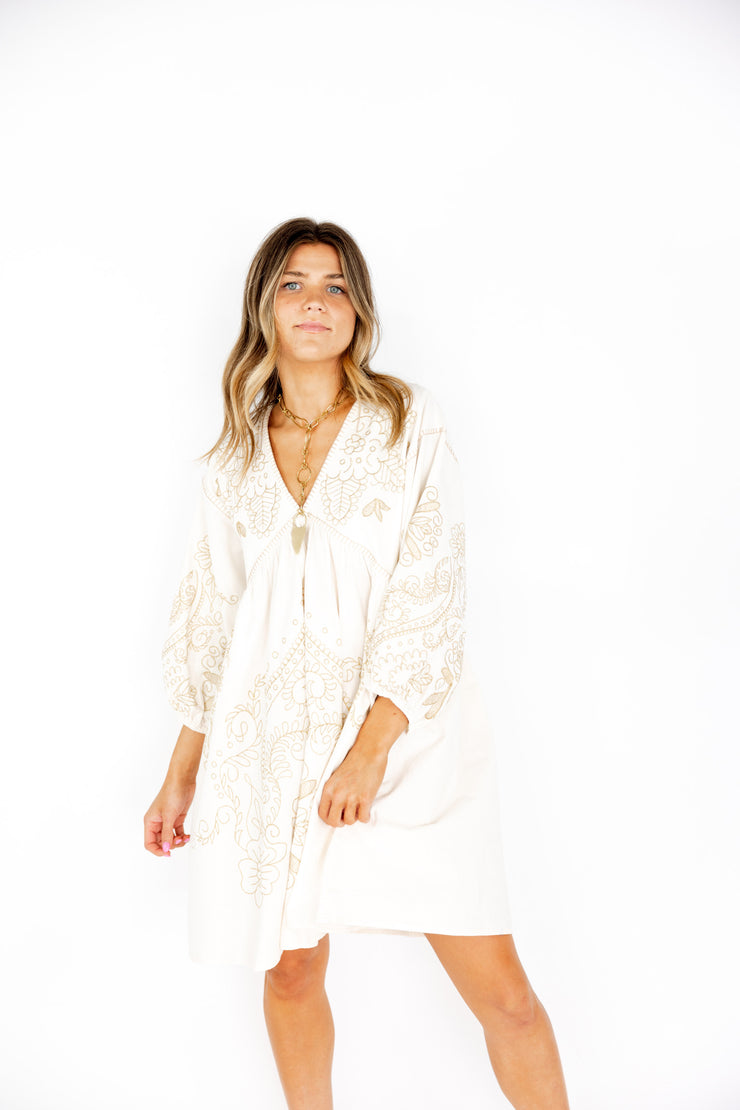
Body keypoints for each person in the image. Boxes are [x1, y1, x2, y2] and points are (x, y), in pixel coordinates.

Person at [144, 217, 571, 1109]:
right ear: (264, 308)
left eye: (336, 285)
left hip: (404, 744)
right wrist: (181, 775)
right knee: (292, 969)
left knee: (501, 990)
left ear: (359, 312)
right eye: (294, 284)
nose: (316, 301)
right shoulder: (233, 454)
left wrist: (371, 749)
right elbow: (212, 621)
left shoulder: (405, 421)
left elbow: (431, 588)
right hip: (276, 751)